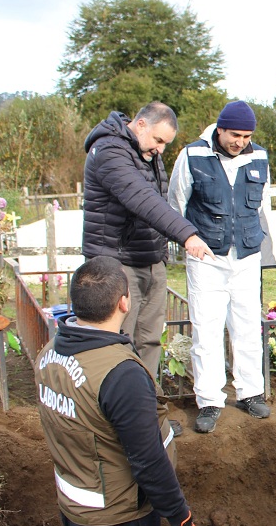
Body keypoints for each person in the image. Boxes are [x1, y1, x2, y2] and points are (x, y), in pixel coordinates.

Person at [33, 256, 200, 526]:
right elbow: (148, 461)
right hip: (118, 521)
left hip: (76, 509)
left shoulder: (50, 352)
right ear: (125, 303)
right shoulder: (119, 374)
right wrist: (181, 520)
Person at [82, 102, 214, 387]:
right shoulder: (109, 151)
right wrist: (187, 235)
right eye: (158, 140)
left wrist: (160, 255)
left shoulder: (146, 152)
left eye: (165, 143)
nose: (161, 149)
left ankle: (148, 411)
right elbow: (142, 199)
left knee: (149, 340)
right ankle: (116, 416)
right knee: (119, 343)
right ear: (140, 124)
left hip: (149, 259)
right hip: (118, 263)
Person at [169, 101, 274, 434]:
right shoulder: (192, 156)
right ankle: (210, 400)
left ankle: (249, 392)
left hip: (245, 256)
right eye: (234, 135)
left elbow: (264, 205)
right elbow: (176, 202)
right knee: (207, 329)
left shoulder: (259, 158)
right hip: (206, 258)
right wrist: (188, 241)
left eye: (245, 136)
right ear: (219, 129)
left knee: (246, 327)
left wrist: (260, 244)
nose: (239, 142)